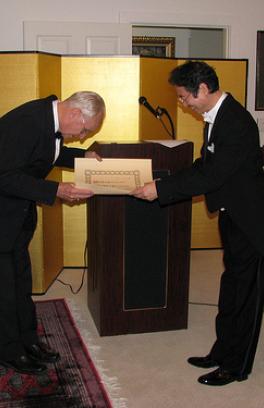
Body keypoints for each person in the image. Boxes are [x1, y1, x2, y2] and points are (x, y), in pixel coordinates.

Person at [131, 60, 264, 386]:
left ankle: (236, 367)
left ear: (202, 89)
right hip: (233, 214)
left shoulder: (235, 121)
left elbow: (212, 174)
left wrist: (160, 189)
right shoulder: (217, 117)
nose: (182, 103)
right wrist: (167, 182)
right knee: (231, 287)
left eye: (183, 97)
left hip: (251, 221)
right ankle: (221, 351)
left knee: (246, 296)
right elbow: (206, 164)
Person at [0, 91, 105, 374]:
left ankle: (28, 340)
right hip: (3, 213)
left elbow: (47, 154)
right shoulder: (27, 122)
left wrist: (83, 155)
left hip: (17, 212)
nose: (82, 135)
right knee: (5, 288)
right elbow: (4, 175)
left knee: (21, 281)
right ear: (73, 113)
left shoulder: (50, 121)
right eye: (84, 130)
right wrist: (56, 190)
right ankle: (9, 350)